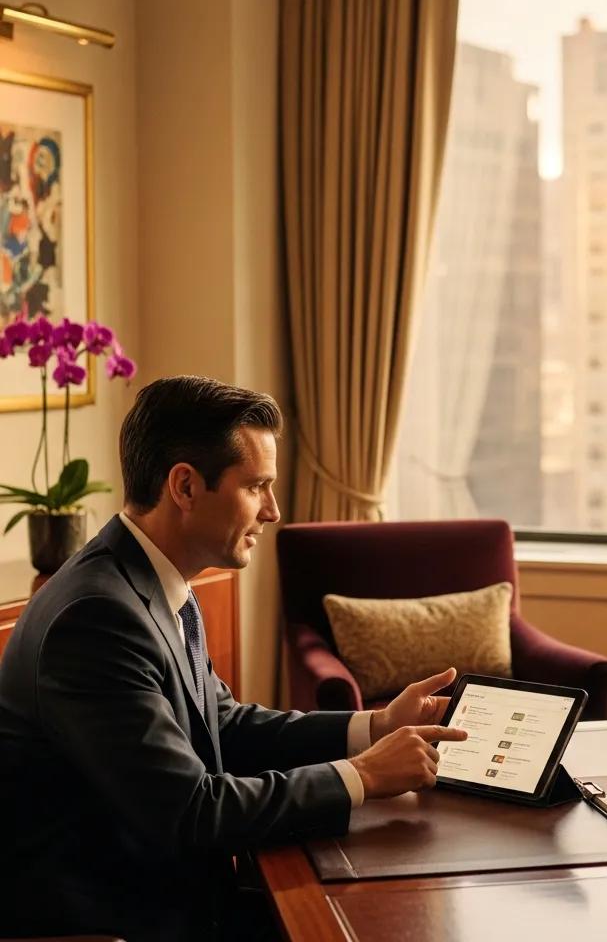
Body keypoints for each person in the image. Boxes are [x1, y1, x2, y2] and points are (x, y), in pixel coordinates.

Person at [0, 376, 467, 941]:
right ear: (185, 486)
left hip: (173, 888)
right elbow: (191, 812)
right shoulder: (96, 620)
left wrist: (376, 726)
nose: (272, 510)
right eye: (257, 486)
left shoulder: (154, 581)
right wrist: (364, 774)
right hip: (120, 918)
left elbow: (224, 725)